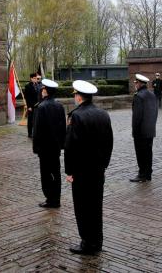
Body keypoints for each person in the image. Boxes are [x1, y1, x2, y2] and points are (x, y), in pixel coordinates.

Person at [65, 80, 113, 255]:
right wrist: (103, 164)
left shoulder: (76, 116)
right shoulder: (103, 114)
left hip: (82, 172)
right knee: (95, 207)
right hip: (98, 170)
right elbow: (109, 143)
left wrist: (69, 171)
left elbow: (71, 147)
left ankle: (87, 243)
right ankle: (97, 241)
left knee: (83, 208)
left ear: (78, 96)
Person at [33, 79, 66, 208]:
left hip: (45, 148)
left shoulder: (41, 107)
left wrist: (36, 148)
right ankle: (56, 198)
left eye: (43, 89)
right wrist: (61, 144)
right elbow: (62, 127)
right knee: (56, 173)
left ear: (46, 91)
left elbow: (38, 130)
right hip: (55, 147)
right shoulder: (59, 106)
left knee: (46, 174)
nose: (42, 91)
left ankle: (50, 199)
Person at [130, 74, 158, 182]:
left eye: (136, 83)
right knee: (148, 152)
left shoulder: (138, 96)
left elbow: (137, 116)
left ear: (139, 83)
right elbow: (155, 112)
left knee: (141, 153)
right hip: (150, 129)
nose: (135, 85)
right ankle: (148, 173)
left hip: (141, 131)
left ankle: (142, 174)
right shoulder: (152, 94)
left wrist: (135, 131)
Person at [24, 73, 39, 138]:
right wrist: (29, 106)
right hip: (31, 105)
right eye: (34, 78)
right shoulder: (28, 86)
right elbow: (27, 97)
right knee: (30, 120)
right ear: (31, 78)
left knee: (37, 119)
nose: (36, 80)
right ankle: (30, 133)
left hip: (38, 105)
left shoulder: (38, 85)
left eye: (37, 78)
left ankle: (36, 132)